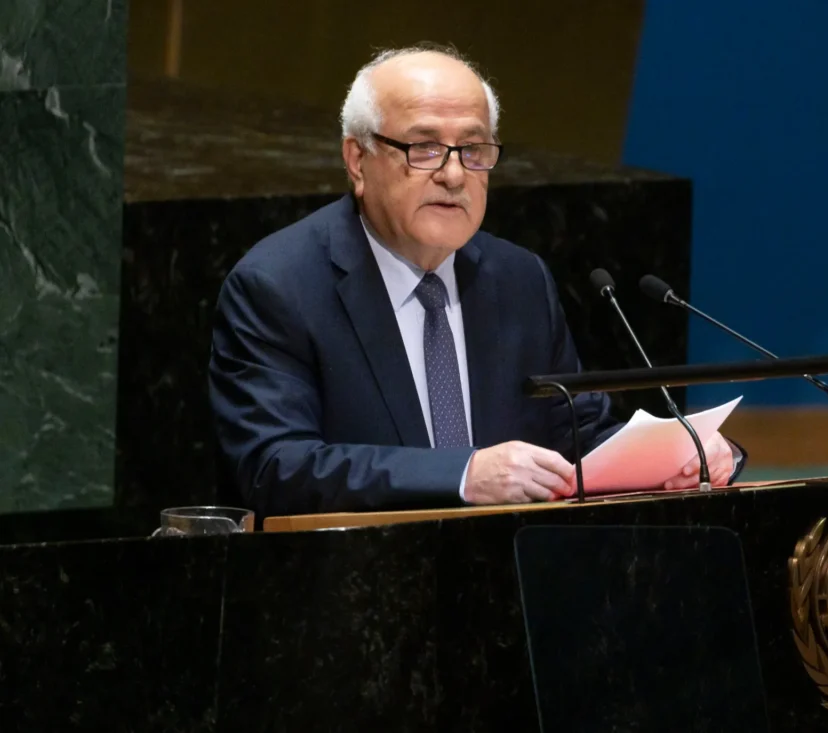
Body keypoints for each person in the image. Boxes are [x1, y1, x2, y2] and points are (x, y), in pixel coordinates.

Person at [208, 45, 743, 519]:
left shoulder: (518, 279)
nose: (454, 174)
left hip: (509, 590)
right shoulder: (279, 285)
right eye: (423, 148)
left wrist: (684, 452)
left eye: (473, 149)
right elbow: (276, 467)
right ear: (358, 160)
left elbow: (579, 437)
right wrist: (462, 476)